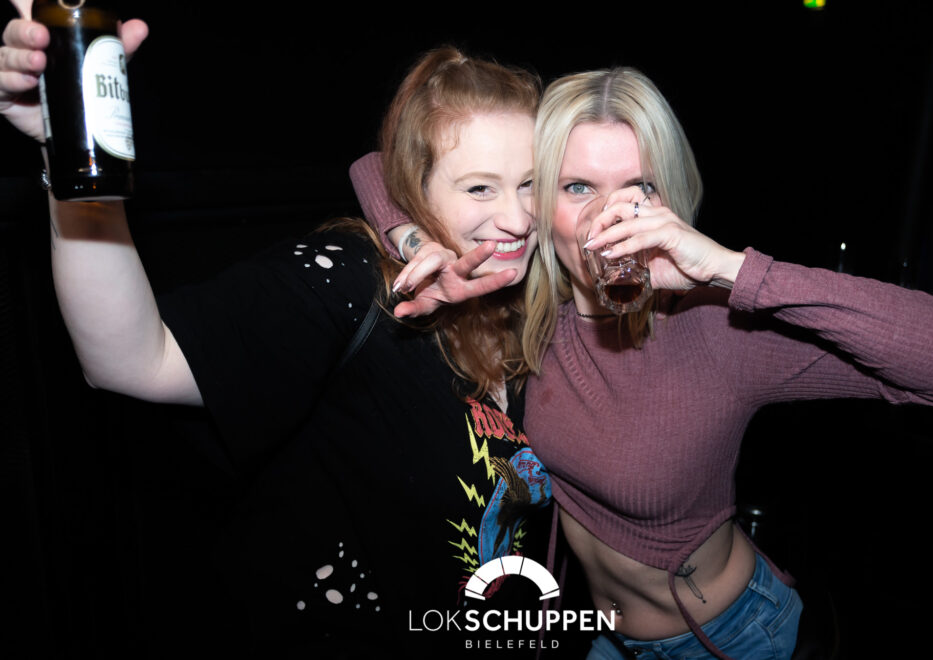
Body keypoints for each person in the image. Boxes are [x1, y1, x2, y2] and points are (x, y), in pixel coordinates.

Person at [352, 67, 933, 659]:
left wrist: (731, 270)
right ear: (538, 198)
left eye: (638, 187)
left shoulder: (716, 325)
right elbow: (377, 166)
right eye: (577, 186)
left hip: (728, 637)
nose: (608, 217)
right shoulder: (528, 305)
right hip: (599, 633)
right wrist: (412, 236)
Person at [1, 8, 557, 656]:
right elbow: (131, 360)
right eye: (480, 188)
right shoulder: (350, 280)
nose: (518, 218)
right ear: (414, 189)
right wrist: (73, 155)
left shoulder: (543, 306)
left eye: (530, 184)